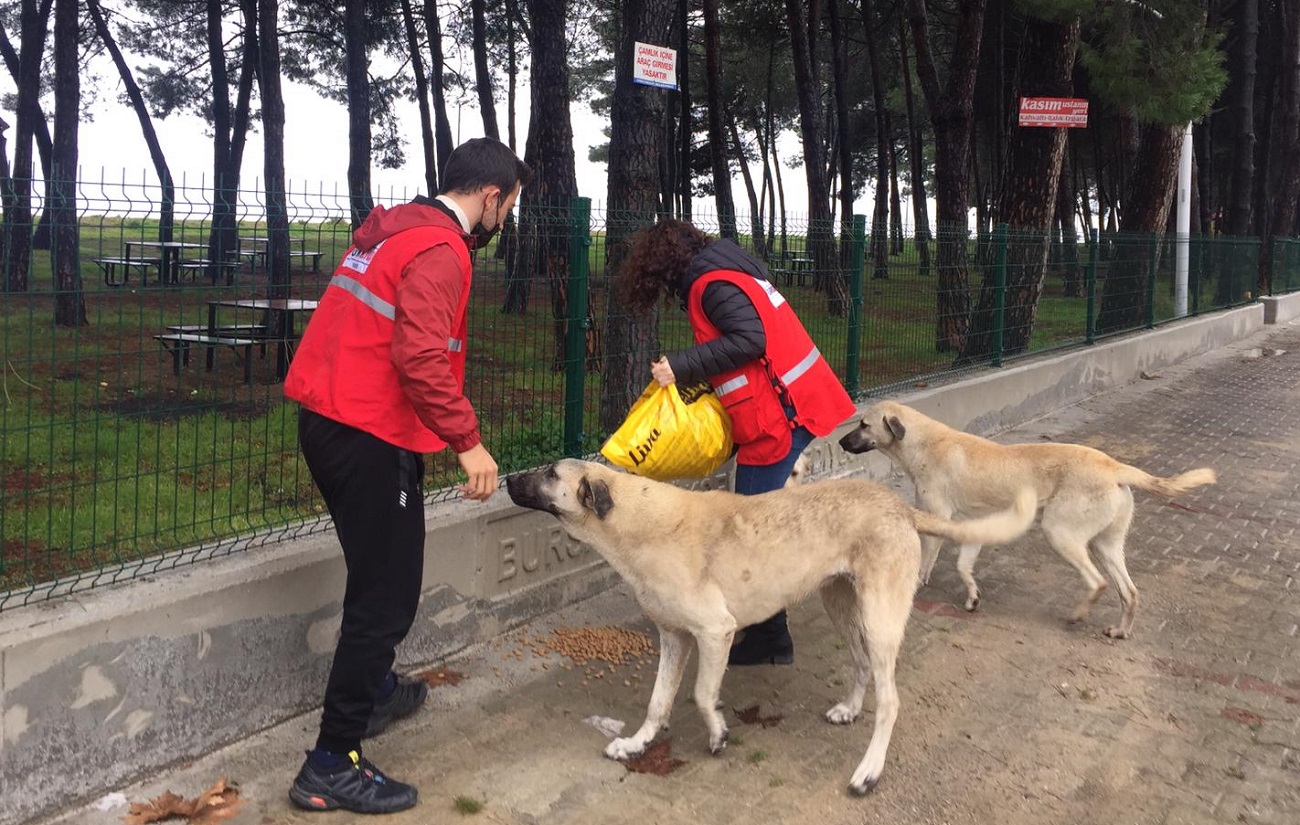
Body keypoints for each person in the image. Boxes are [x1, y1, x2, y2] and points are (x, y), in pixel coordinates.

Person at [281, 137, 531, 814]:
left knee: (377, 569)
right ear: (490, 196)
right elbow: (419, 355)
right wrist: (469, 442)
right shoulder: (442, 251)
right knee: (387, 597)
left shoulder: (393, 230)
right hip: (367, 432)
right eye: (507, 205)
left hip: (329, 419)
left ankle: (378, 692)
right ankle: (331, 761)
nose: (505, 220)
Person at [620, 219, 857, 666]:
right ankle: (768, 633)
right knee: (757, 525)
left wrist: (682, 365)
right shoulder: (728, 268)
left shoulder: (710, 284)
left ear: (664, 268)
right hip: (788, 404)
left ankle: (770, 639)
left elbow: (750, 339)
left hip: (779, 414)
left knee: (751, 530)